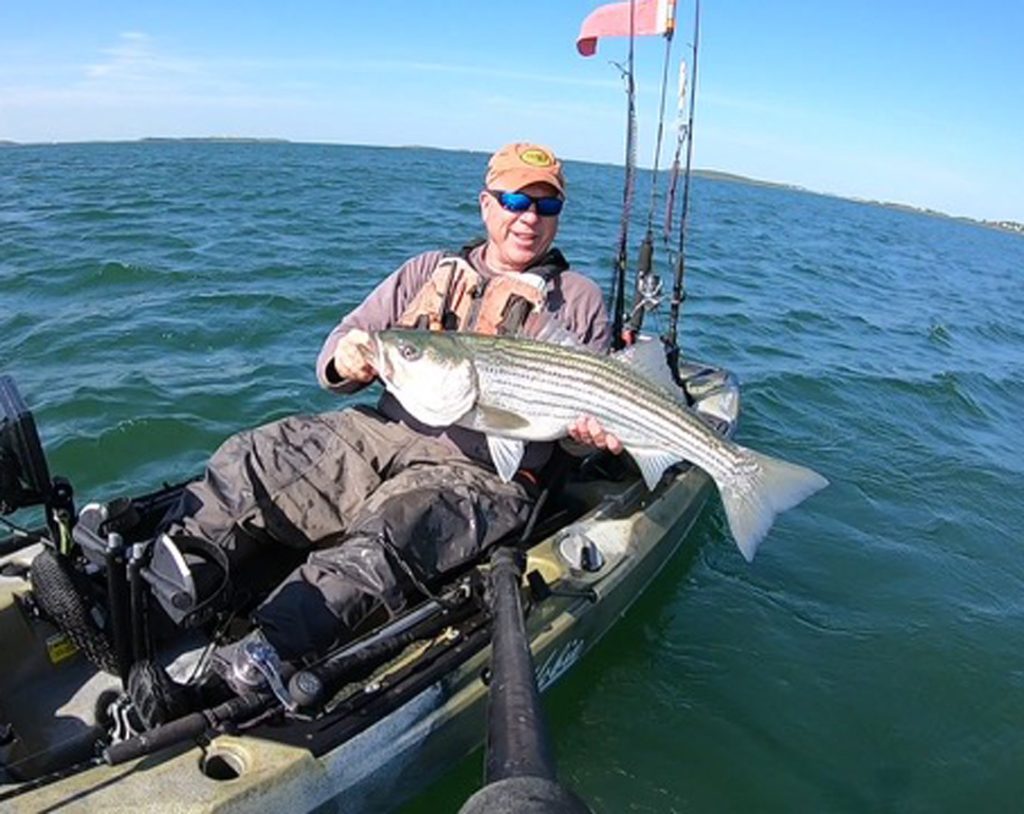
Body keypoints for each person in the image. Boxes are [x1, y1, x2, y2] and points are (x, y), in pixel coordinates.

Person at [163, 142, 622, 679]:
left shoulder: (579, 299)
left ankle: (253, 661)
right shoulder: (426, 269)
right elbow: (336, 349)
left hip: (480, 473)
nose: (529, 218)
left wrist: (585, 435)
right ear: (486, 204)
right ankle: (165, 586)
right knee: (252, 459)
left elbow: (572, 430)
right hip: (379, 431)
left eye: (547, 207)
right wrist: (348, 357)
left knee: (388, 534)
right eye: (516, 199)